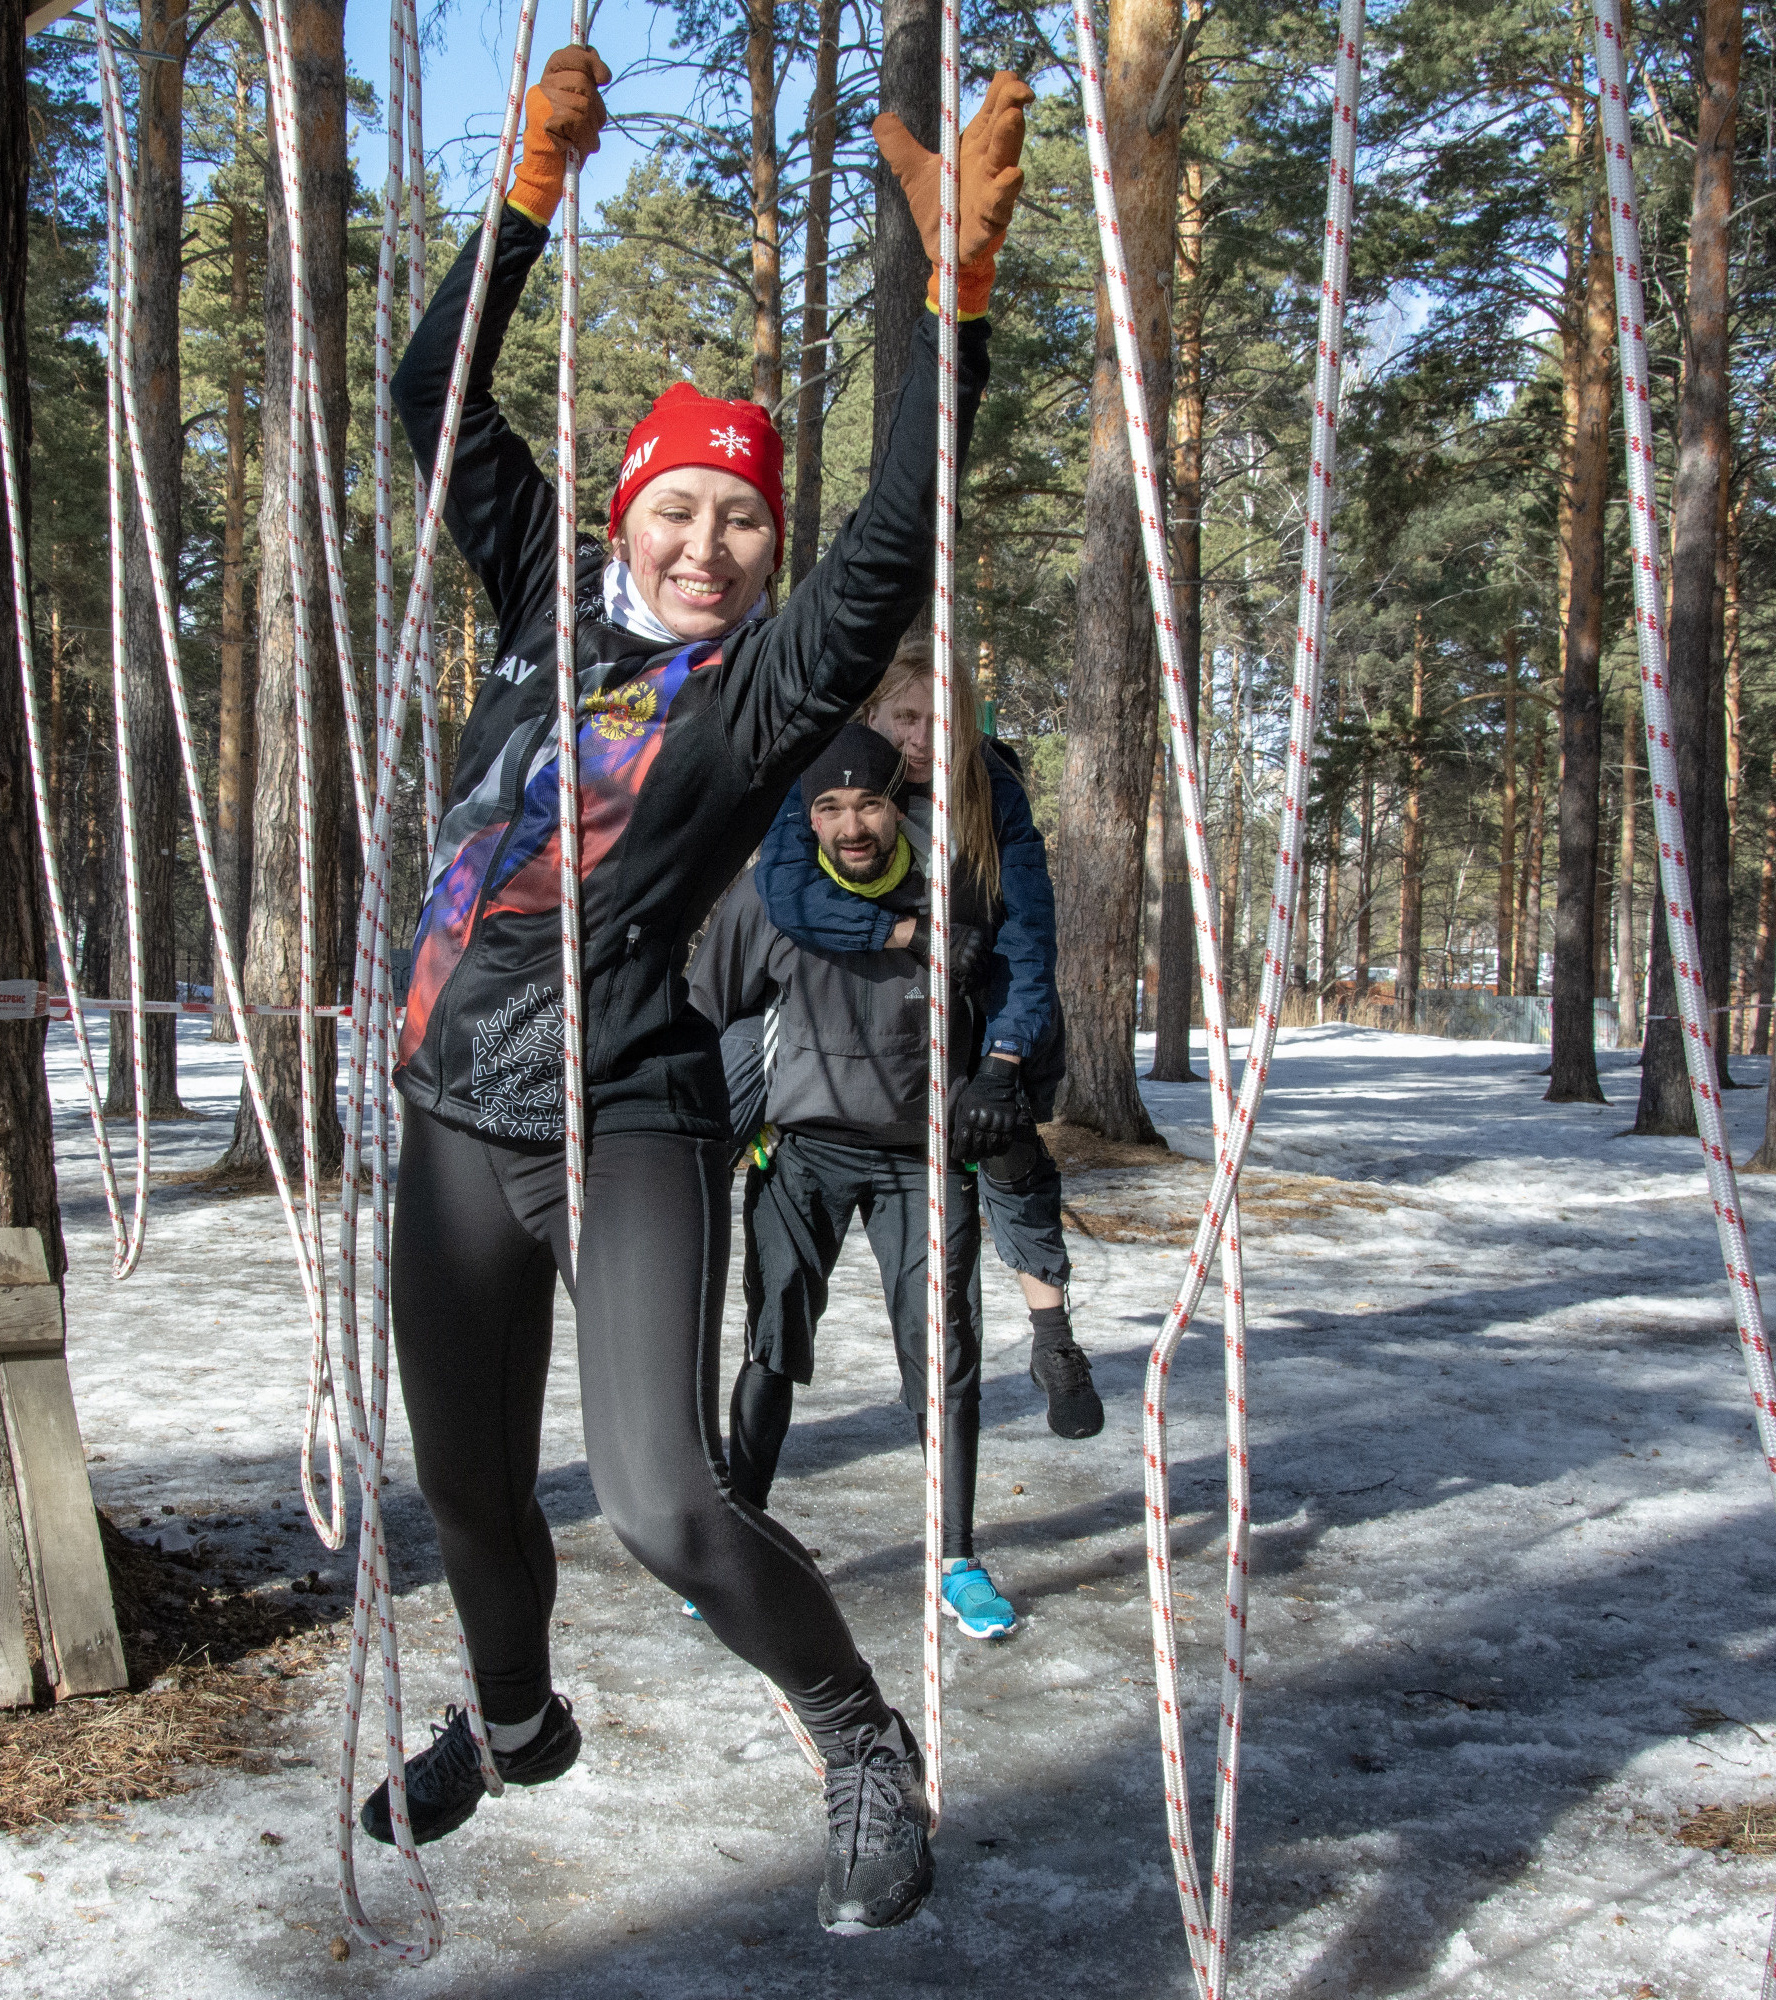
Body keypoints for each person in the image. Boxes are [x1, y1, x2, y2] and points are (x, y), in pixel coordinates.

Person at [366, 45, 1032, 1938]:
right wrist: (518, 203)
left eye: (741, 519)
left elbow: (897, 540)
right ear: (631, 511)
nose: (707, 541)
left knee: (658, 1501)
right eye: (680, 507)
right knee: (476, 1504)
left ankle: (860, 1742)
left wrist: (949, 304)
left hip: (626, 1110)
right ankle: (512, 1727)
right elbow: (431, 392)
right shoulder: (535, 598)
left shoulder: (754, 698)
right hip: (446, 1114)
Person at [692, 722, 1023, 1639]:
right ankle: (739, 1540)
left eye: (868, 802)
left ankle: (955, 1557)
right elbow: (703, 1014)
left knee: (943, 1354)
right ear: (808, 814)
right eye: (829, 806)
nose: (851, 824)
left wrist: (1001, 1080)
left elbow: (1015, 996)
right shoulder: (772, 897)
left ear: (899, 802)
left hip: (924, 1159)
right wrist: (730, 1113)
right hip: (801, 1153)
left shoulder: (954, 891)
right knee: (773, 1341)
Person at [751, 645, 1103, 1442]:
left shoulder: (991, 792)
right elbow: (785, 891)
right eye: (905, 717)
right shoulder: (831, 777)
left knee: (1006, 1140)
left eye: (942, 722)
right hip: (859, 1027)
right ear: (871, 715)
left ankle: (1053, 1339)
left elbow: (1028, 937)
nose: (921, 738)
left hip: (984, 1005)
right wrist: (906, 932)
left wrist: (1005, 1059)